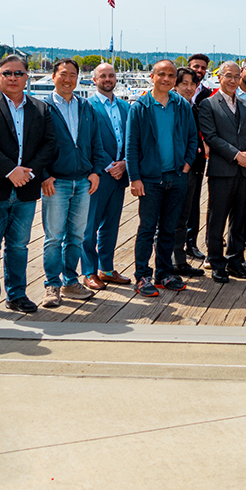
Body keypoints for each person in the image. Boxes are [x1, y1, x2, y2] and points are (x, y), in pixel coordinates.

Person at [0, 54, 56, 318]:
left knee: (19, 245)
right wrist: (10, 171)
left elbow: (49, 144)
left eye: (19, 73)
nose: (13, 78)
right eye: (8, 73)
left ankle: (17, 294)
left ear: (27, 77)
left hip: (26, 188)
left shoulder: (40, 108)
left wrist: (27, 173)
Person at [125, 59, 198, 296]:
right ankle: (143, 276)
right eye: (162, 74)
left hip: (176, 176)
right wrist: (135, 178)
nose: (166, 79)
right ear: (152, 76)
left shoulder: (181, 105)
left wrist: (186, 164)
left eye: (171, 75)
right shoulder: (140, 107)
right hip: (149, 179)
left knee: (169, 229)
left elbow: (192, 138)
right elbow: (131, 146)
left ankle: (164, 273)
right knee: (147, 228)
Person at [40, 59, 108, 309]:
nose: (68, 79)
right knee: (54, 237)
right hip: (55, 182)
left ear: (78, 78)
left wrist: (96, 171)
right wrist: (44, 174)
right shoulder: (43, 107)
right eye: (63, 74)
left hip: (83, 181)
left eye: (72, 75)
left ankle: (70, 280)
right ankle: (52, 285)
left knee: (76, 237)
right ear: (53, 77)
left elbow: (96, 142)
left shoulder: (85, 107)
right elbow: (36, 146)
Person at [197, 61, 246, 284]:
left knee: (241, 219)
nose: (233, 80)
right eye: (228, 76)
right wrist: (237, 155)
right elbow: (211, 137)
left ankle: (236, 261)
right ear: (219, 77)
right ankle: (216, 261)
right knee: (217, 218)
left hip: (245, 171)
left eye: (236, 76)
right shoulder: (207, 105)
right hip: (222, 170)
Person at [81, 62, 131, 291]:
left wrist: (124, 164)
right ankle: (89, 271)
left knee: (111, 224)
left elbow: (132, 140)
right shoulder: (87, 106)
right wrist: (108, 164)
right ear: (94, 80)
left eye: (111, 75)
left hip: (120, 175)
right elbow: (87, 141)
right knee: (90, 226)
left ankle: (107, 268)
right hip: (99, 175)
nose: (108, 79)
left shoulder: (125, 107)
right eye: (103, 76)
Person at [172, 67, 206, 276]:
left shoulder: (193, 108)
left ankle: (179, 261)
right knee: (169, 220)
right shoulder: (171, 107)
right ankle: (167, 264)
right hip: (174, 171)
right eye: (184, 83)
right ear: (175, 85)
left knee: (183, 218)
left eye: (192, 84)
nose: (189, 87)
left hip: (192, 171)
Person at [183, 54, 212, 260]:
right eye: (196, 67)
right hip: (177, 157)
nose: (199, 70)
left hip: (199, 156)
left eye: (202, 68)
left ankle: (191, 243)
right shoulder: (176, 93)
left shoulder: (208, 95)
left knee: (193, 201)